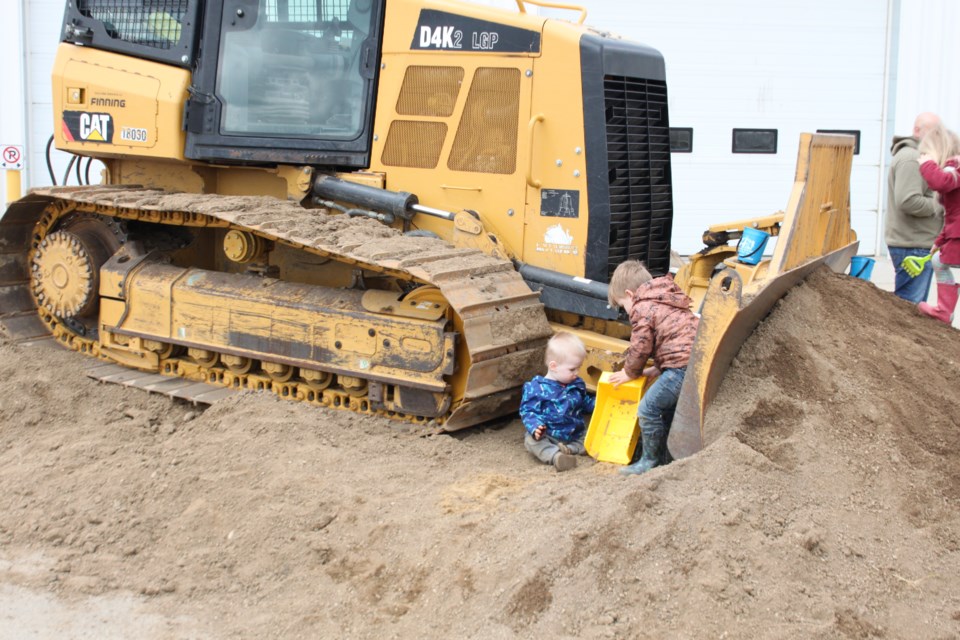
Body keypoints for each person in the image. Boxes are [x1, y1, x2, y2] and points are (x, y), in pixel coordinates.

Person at [607, 260, 699, 476]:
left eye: (622, 306)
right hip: (693, 363)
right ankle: (667, 457)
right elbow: (672, 338)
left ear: (630, 295)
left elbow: (641, 346)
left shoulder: (642, 307)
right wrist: (657, 368)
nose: (626, 312)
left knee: (648, 409)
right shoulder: (667, 298)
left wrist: (630, 372)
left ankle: (649, 461)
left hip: (680, 370)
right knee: (665, 410)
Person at [885, 112, 945, 304]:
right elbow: (908, 201)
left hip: (917, 245)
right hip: (912, 246)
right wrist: (942, 204)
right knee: (908, 309)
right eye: (935, 132)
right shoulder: (911, 159)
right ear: (917, 130)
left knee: (912, 311)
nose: (939, 137)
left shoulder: (919, 158)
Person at [519, 332, 595, 472]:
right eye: (572, 369)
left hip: (575, 433)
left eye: (579, 367)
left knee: (593, 436)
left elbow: (584, 402)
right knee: (531, 441)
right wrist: (536, 427)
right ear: (553, 366)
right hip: (549, 434)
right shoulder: (536, 388)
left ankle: (568, 450)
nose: (577, 372)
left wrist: (597, 404)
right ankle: (555, 456)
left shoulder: (576, 384)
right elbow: (528, 411)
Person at [916, 123, 960, 323]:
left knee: (940, 262)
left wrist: (927, 164)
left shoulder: (955, 168)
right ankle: (944, 311)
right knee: (938, 261)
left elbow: (940, 182)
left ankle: (944, 311)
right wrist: (940, 240)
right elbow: (953, 214)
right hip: (955, 235)